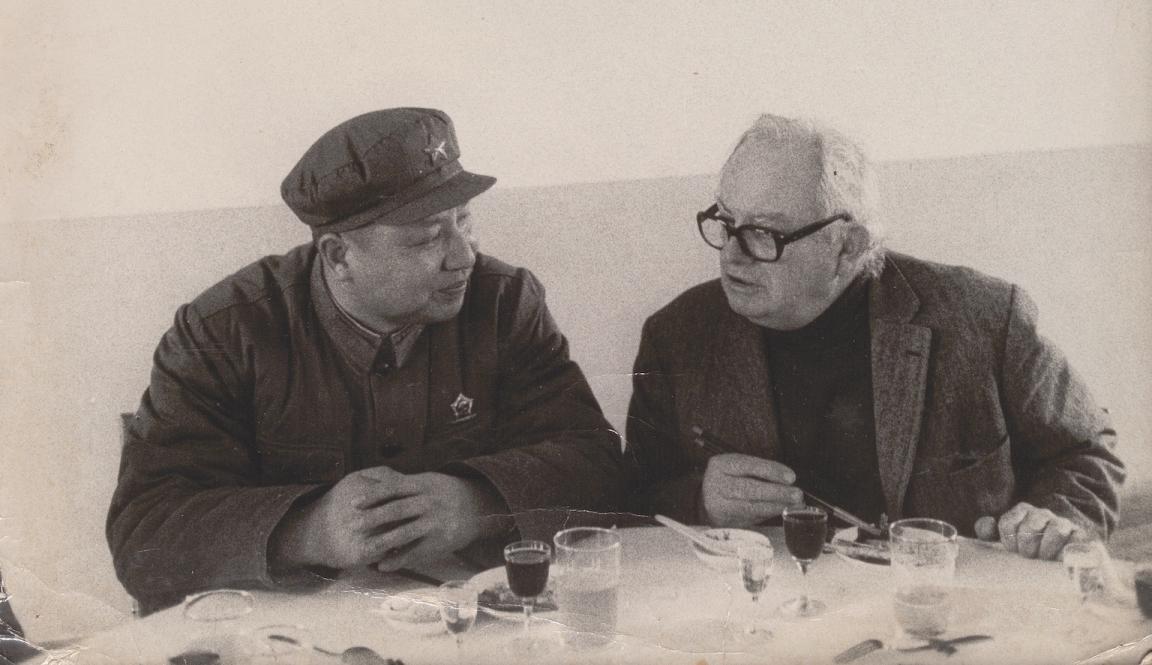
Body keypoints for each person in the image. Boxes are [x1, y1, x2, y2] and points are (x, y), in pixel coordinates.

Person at [107, 108, 625, 612]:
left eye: (464, 220)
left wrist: (477, 503)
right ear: (338, 255)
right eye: (427, 237)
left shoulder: (503, 302)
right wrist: (306, 531)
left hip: (468, 621)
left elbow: (597, 465)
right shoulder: (223, 330)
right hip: (292, 633)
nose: (463, 255)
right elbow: (143, 533)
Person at [626, 113, 1124, 560]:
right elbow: (631, 498)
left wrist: (1054, 518)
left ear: (848, 246)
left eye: (764, 233)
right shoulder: (678, 336)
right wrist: (700, 500)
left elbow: (1086, 454)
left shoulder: (985, 318)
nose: (731, 255)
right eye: (724, 220)